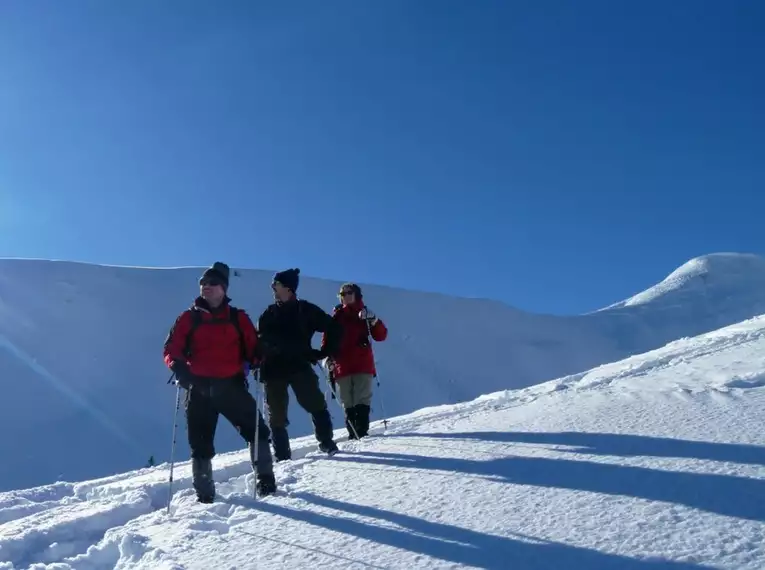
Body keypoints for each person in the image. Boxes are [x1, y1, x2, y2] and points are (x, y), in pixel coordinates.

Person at [163, 262, 276, 503]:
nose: (206, 287)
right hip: (198, 387)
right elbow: (172, 348)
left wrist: (258, 357)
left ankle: (266, 480)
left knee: (256, 431)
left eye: (212, 283)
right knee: (200, 443)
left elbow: (252, 347)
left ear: (223, 288)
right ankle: (204, 495)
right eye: (203, 283)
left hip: (231, 385)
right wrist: (177, 366)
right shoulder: (188, 317)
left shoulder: (238, 317)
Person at [256, 268, 343, 460]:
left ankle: (327, 442)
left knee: (315, 403)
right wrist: (259, 359)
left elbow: (333, 327)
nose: (273, 288)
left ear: (288, 288)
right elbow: (259, 341)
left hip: (299, 365)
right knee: (276, 415)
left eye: (276, 285)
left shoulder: (306, 310)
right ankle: (282, 456)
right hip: (273, 369)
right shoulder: (269, 314)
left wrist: (323, 352)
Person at [322, 282, 387, 439]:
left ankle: (361, 432)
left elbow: (381, 335)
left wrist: (374, 321)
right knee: (347, 401)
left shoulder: (365, 314)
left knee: (361, 397)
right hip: (342, 366)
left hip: (361, 364)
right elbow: (327, 341)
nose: (345, 297)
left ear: (356, 294)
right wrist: (327, 358)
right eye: (342, 294)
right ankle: (354, 433)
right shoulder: (337, 316)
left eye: (348, 293)